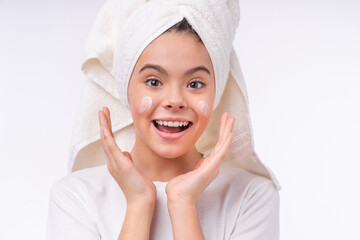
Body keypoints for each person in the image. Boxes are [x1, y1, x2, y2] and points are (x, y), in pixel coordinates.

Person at [46, 1, 280, 239]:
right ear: (125, 87)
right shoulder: (75, 197)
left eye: (195, 84)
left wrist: (183, 204)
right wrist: (138, 203)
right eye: (154, 82)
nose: (174, 101)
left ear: (217, 93)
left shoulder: (250, 196)